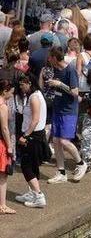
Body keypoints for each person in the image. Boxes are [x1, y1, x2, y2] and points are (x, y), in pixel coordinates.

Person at [44, 47, 85, 184]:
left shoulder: (70, 70)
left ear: (55, 57)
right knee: (56, 141)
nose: (48, 59)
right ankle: (61, 172)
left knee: (64, 141)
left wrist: (60, 84)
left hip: (68, 111)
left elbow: (75, 92)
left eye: (50, 57)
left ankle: (80, 163)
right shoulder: (54, 70)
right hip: (57, 109)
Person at [15, 75, 48, 208]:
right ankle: (32, 192)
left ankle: (39, 195)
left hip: (33, 136)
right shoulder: (36, 94)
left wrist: (26, 136)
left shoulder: (34, 97)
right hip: (35, 135)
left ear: (29, 83)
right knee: (33, 165)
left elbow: (35, 119)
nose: (21, 87)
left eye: (22, 84)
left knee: (26, 166)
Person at [0, 80, 13, 214]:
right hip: (0, 143)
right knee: (3, 175)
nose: (12, 94)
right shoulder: (3, 106)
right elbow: (4, 128)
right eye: (11, 92)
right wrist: (9, 146)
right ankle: (2, 205)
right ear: (5, 91)